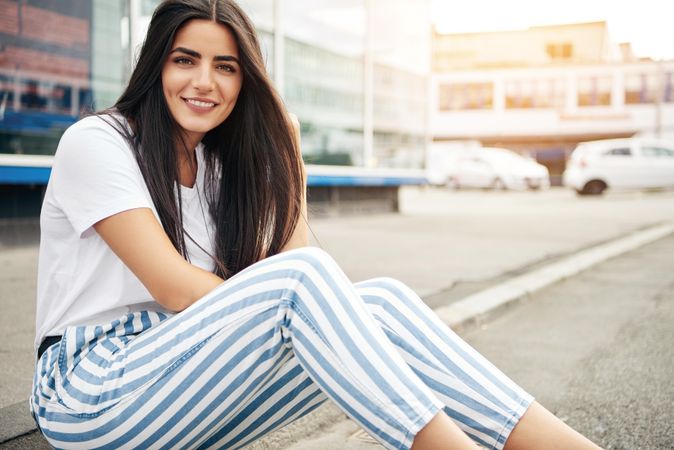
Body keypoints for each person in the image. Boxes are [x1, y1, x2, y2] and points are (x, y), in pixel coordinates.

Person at [30, 1, 604, 449]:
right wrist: (283, 300)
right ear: (155, 64)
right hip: (90, 391)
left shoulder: (215, 166)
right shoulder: (99, 141)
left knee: (378, 303)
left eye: (225, 67)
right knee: (310, 288)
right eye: (186, 59)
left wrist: (290, 158)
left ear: (243, 82)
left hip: (180, 379)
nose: (205, 81)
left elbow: (292, 267)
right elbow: (178, 288)